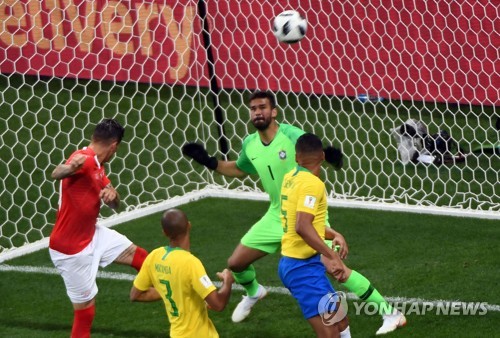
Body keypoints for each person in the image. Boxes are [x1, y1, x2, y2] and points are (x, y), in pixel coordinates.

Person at [182, 90, 406, 334]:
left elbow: (312, 150)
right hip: (277, 213)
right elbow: (239, 168)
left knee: (335, 267)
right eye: (254, 108)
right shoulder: (250, 143)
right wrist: (209, 162)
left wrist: (329, 156)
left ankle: (390, 313)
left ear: (274, 111)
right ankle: (254, 292)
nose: (258, 112)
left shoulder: (290, 135)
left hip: (304, 212)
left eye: (263, 107)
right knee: (236, 262)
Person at [49, 118, 149, 338]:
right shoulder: (83, 160)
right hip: (71, 250)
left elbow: (114, 201)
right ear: (114, 146)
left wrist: (113, 197)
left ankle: (171, 293)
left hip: (93, 234)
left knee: (142, 257)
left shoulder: (98, 166)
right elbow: (57, 172)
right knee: (85, 314)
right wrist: (68, 167)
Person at [279, 133, 350, 337]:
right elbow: (302, 226)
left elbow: (304, 222)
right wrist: (331, 255)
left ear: (296, 157)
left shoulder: (290, 178)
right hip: (301, 269)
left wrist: (334, 233)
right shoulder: (312, 184)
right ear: (322, 155)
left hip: (300, 264)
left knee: (341, 319)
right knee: (330, 334)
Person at [130, 208, 234, 338]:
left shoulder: (154, 257)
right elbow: (218, 304)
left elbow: (135, 295)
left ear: (164, 233)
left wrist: (174, 292)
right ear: (189, 226)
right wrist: (227, 281)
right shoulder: (190, 263)